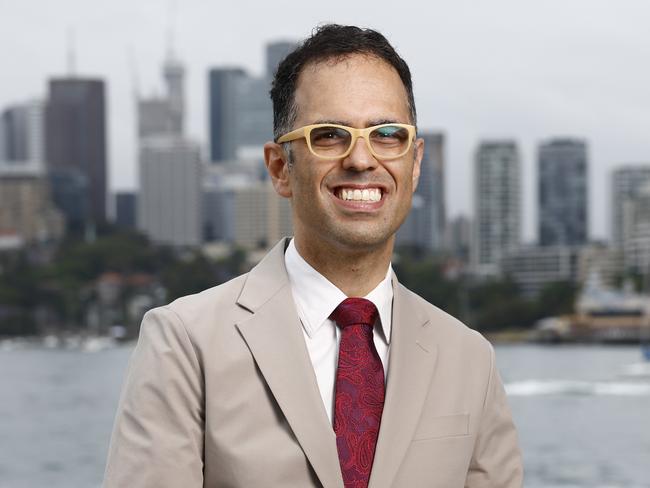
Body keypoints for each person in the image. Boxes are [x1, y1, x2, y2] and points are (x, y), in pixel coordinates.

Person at [104, 24, 524, 488]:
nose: (362, 160)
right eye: (328, 135)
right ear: (281, 168)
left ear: (416, 162)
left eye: (386, 134)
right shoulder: (185, 344)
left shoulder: (469, 359)